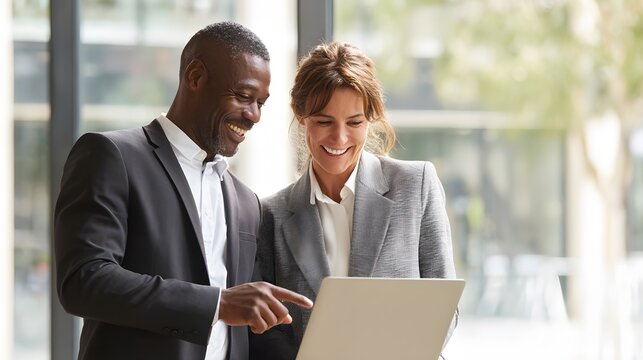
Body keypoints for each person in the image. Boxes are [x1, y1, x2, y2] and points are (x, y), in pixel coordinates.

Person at [54, 21, 312, 360]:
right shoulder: (111, 156)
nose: (254, 115)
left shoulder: (246, 202)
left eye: (261, 103)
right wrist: (217, 303)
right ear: (194, 76)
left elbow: (252, 327)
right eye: (243, 97)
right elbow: (84, 281)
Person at [250, 41, 457, 359]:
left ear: (371, 118)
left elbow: (445, 311)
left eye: (354, 122)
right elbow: (268, 333)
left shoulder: (416, 186)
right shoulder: (270, 215)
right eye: (324, 121)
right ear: (300, 115)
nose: (340, 138)